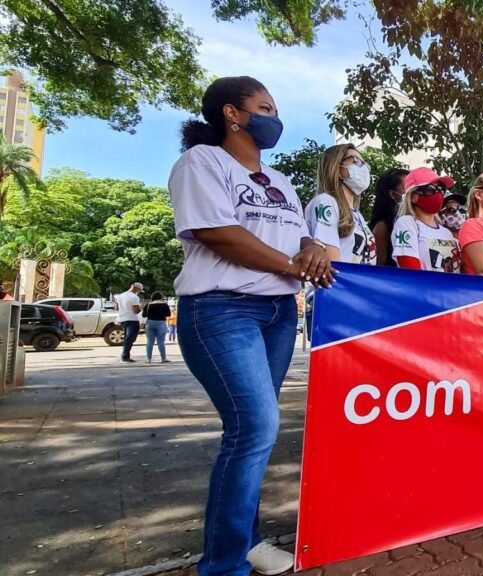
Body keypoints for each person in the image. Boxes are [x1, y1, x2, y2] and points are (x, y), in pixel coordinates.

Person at [169, 76, 333, 576]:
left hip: (278, 313)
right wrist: (291, 264)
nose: (274, 118)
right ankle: (223, 564)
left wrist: (311, 249)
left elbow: (300, 236)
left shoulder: (280, 179)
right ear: (232, 113)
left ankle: (248, 540)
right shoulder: (202, 162)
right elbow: (218, 233)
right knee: (256, 426)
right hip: (221, 310)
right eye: (264, 107)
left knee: (252, 432)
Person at [304, 143, 376, 264]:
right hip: (341, 277)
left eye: (365, 164)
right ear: (336, 167)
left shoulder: (357, 215)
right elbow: (332, 263)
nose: (363, 168)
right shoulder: (325, 202)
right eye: (356, 161)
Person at [391, 167, 461, 273]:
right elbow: (410, 270)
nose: (437, 193)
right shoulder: (406, 223)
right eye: (429, 189)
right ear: (413, 197)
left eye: (441, 189)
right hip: (423, 284)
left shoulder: (446, 232)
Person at [369, 168, 410, 266]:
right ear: (392, 194)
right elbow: (378, 266)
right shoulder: (383, 227)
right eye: (406, 188)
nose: (412, 192)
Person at [114, 282, 144, 363]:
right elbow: (136, 310)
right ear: (137, 288)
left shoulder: (120, 296)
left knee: (127, 338)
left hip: (122, 319)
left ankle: (125, 354)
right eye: (139, 290)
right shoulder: (134, 297)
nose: (139, 292)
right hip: (132, 319)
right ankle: (125, 356)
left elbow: (116, 308)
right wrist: (141, 307)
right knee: (130, 338)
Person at [143, 292, 172, 363]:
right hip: (161, 323)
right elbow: (168, 314)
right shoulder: (164, 304)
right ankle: (163, 358)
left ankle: (149, 359)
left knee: (150, 341)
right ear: (160, 297)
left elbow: (144, 315)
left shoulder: (148, 304)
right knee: (161, 342)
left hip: (150, 323)